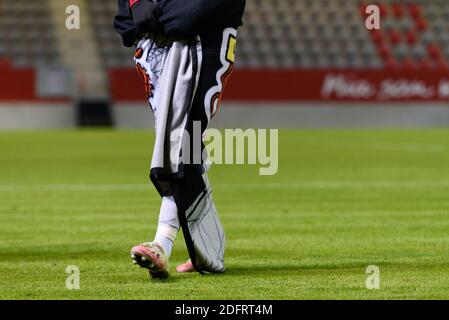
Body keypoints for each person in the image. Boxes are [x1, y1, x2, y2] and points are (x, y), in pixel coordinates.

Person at [114, 0, 246, 279]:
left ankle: (162, 243)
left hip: (204, 42)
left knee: (181, 144)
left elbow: (194, 14)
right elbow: (131, 18)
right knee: (183, 145)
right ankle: (206, 247)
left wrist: (153, 15)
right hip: (158, 49)